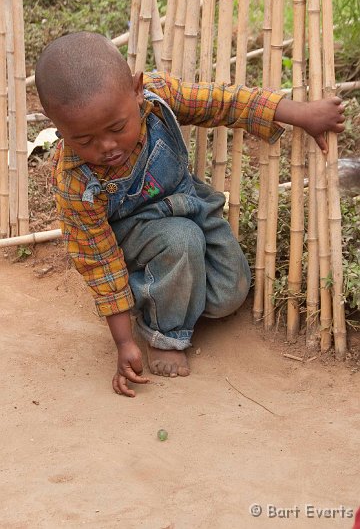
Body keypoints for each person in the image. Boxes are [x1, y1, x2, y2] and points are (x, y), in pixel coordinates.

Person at [35, 32, 345, 397]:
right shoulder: (74, 182)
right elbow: (98, 260)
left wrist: (299, 113)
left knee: (231, 292)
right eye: (84, 141)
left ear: (136, 91)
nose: (107, 147)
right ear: (56, 126)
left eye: (118, 127)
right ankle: (163, 335)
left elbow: (221, 102)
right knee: (181, 239)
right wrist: (123, 343)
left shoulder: (158, 97)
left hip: (188, 204)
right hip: (132, 238)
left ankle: (153, 293)